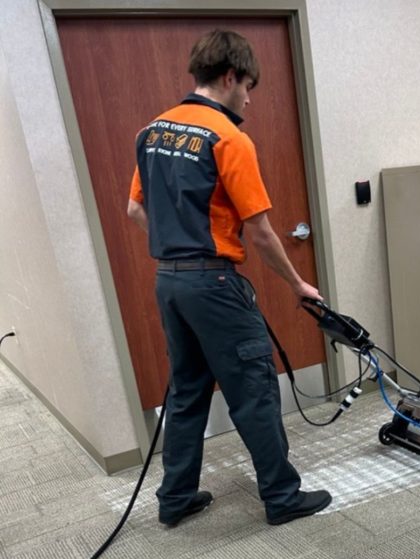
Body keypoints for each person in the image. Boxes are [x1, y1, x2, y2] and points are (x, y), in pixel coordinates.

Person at [126, 29, 331, 527]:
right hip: (214, 286)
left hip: (170, 284)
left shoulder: (150, 132)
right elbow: (259, 232)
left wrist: (177, 248)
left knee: (188, 391)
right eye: (247, 88)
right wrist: (298, 285)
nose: (247, 99)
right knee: (253, 389)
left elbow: (134, 209)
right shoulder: (228, 138)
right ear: (231, 76)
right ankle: (282, 497)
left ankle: (174, 499)